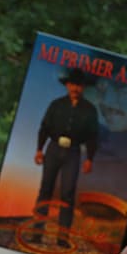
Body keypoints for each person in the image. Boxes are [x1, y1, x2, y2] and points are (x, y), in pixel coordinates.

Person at [33, 67, 99, 229]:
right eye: (72, 84)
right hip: (53, 148)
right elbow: (45, 127)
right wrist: (39, 149)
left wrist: (90, 159)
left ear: (83, 87)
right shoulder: (56, 105)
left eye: (79, 85)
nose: (75, 88)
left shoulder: (90, 110)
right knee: (45, 189)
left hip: (73, 152)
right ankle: (37, 229)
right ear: (67, 85)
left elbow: (92, 136)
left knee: (68, 193)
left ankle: (63, 235)